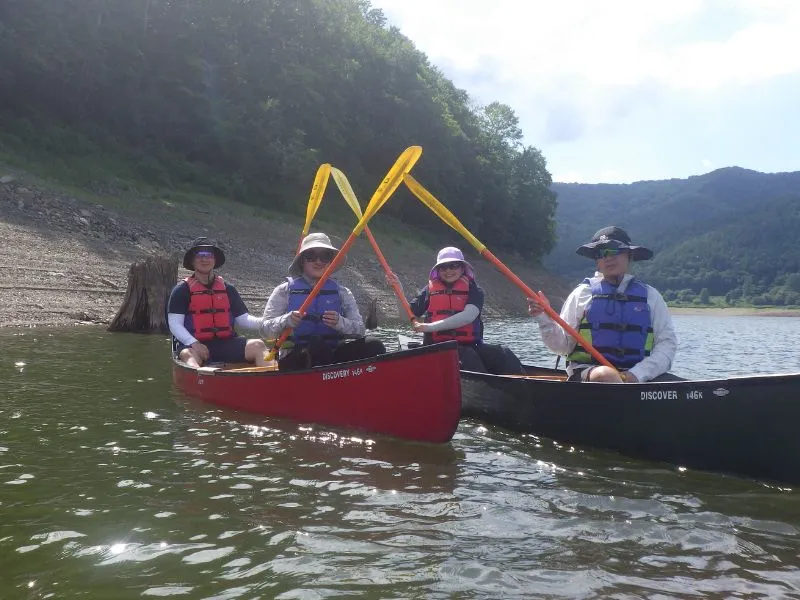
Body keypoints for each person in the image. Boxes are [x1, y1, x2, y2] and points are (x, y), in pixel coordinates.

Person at [528, 226, 678, 383]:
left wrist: (637, 374)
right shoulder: (582, 294)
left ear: (630, 255)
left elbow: (667, 345)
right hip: (588, 373)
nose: (608, 258)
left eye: (614, 250)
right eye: (601, 253)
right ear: (596, 261)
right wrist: (544, 318)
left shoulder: (651, 296)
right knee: (606, 375)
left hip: (638, 377)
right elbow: (562, 347)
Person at [388, 247, 524, 374]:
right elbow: (406, 316)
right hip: (437, 348)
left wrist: (428, 327)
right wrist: (398, 290)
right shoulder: (429, 290)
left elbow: (468, 316)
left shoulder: (475, 290)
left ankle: (520, 386)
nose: (448, 271)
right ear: (438, 270)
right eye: (443, 267)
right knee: (469, 357)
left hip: (469, 345)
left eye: (453, 265)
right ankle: (483, 393)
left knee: (503, 353)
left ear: (462, 268)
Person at [261, 232, 386, 370]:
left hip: (333, 356)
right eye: (311, 256)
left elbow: (360, 330)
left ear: (331, 261)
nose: (318, 261)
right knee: (316, 345)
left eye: (325, 256)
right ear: (302, 260)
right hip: (297, 357)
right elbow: (264, 330)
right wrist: (286, 320)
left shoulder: (342, 292)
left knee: (374, 345)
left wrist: (341, 323)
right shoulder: (284, 291)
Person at [168, 237, 269, 368]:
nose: (204, 259)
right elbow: (174, 324)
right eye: (199, 255)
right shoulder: (181, 290)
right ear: (192, 261)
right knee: (188, 355)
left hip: (227, 343)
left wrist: (271, 323)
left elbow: (244, 320)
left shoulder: (228, 289)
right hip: (195, 345)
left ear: (214, 260)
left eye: (209, 255)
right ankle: (201, 380)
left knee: (258, 345)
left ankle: (269, 380)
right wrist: (194, 343)